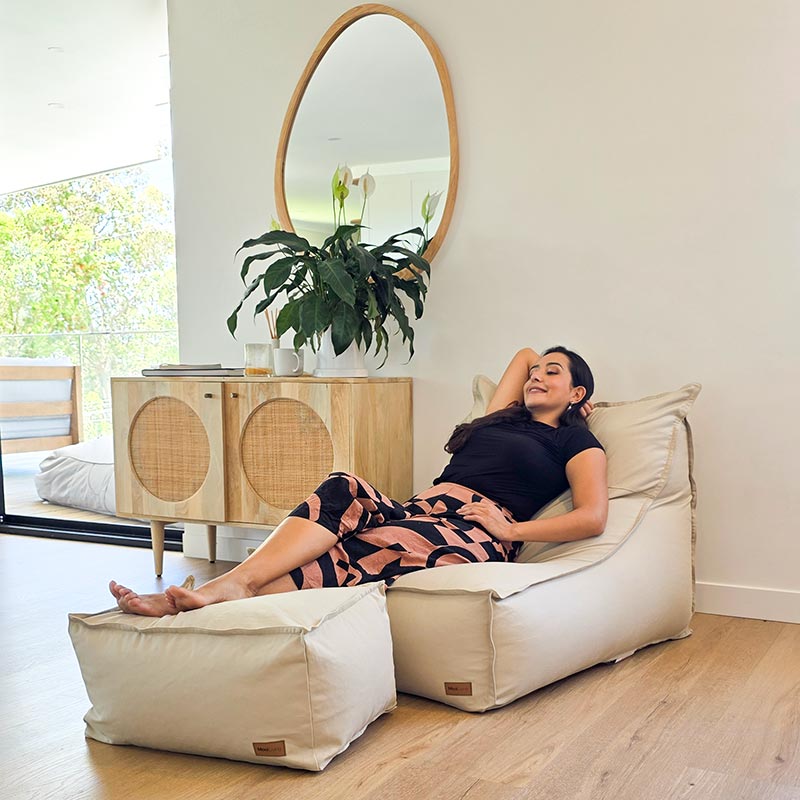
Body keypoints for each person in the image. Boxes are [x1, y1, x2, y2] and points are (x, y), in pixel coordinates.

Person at [110, 346, 608, 616]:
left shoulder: (572, 443)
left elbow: (592, 516)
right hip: (421, 507)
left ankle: (199, 605)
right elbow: (522, 353)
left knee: (372, 545)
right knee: (343, 485)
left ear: (576, 391)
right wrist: (542, 370)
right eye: (535, 374)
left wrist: (511, 531)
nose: (535, 375)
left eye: (553, 372)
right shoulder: (503, 417)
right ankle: (228, 587)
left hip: (473, 532)